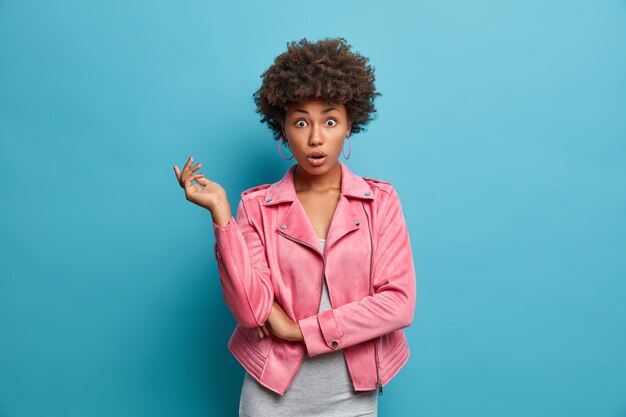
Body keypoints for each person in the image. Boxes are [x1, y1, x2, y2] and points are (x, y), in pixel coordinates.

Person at [174, 37, 416, 417]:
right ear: (283, 129)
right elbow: (253, 313)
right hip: (272, 393)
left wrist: (300, 330)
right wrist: (221, 214)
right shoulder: (256, 208)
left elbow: (398, 305)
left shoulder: (380, 203)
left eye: (330, 121)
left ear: (350, 125)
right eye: (301, 121)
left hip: (350, 396)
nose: (315, 137)